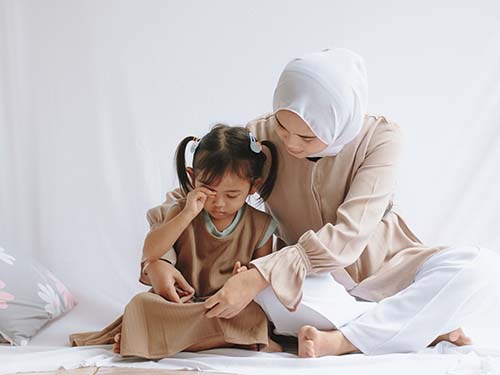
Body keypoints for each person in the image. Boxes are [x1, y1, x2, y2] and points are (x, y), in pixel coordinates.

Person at [146, 49, 500, 358]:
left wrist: (262, 273)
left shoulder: (380, 138)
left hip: (390, 271)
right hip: (313, 285)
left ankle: (343, 341)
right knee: (264, 297)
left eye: (307, 136)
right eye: (283, 128)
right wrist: (159, 259)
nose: (291, 144)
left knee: (482, 269)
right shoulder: (262, 136)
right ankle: (420, 326)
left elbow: (349, 236)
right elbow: (205, 185)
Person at [70, 124, 282, 358]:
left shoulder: (261, 225)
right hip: (181, 305)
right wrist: (187, 214)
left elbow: (262, 278)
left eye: (232, 195)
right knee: (141, 305)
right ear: (192, 178)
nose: (219, 203)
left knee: (254, 314)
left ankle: (161, 341)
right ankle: (223, 340)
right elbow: (151, 252)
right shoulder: (181, 211)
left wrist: (244, 278)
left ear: (254, 185)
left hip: (227, 306)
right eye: (209, 190)